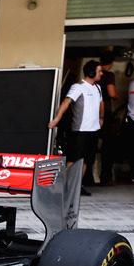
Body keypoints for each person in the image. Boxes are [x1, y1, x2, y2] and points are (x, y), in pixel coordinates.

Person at [48, 60, 104, 196]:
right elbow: (66, 103)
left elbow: (101, 103)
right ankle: (62, 185)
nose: (101, 74)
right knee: (74, 159)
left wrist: (101, 118)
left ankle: (77, 186)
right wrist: (56, 119)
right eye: (99, 71)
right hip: (80, 130)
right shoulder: (78, 87)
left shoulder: (98, 88)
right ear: (91, 72)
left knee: (86, 160)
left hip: (94, 130)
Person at [98, 51, 120, 185]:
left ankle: (86, 177)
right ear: (111, 63)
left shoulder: (95, 74)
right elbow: (112, 93)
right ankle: (105, 177)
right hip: (105, 113)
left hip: (93, 113)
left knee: (91, 144)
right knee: (108, 147)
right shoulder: (109, 75)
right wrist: (118, 96)